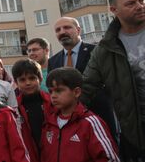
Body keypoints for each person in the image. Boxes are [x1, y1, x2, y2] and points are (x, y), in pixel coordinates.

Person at [82, 0, 145, 160]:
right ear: (114, 10)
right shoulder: (106, 49)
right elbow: (86, 87)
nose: (140, 6)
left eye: (142, 0)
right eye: (131, 3)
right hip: (137, 135)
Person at [50, 17, 117, 145]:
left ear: (78, 30)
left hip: (100, 115)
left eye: (67, 27)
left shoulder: (97, 52)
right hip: (70, 122)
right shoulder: (53, 61)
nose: (62, 32)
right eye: (58, 30)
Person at [41, 67, 119, 162]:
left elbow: (110, 158)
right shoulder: (49, 123)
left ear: (76, 92)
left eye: (59, 90)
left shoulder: (90, 123)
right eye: (50, 91)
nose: (53, 95)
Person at [12, 58, 53, 161]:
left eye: (32, 78)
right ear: (15, 82)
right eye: (22, 80)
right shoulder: (13, 109)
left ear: (40, 78)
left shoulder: (53, 103)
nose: (28, 83)